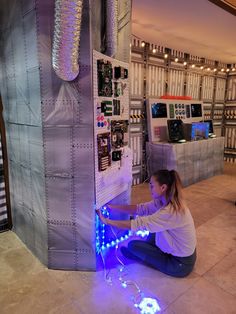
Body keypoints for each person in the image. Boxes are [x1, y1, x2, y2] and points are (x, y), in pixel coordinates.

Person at [96, 169, 197, 278]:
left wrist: (107, 222)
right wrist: (113, 208)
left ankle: (143, 254)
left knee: (133, 246)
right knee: (152, 227)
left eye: (152, 186)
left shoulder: (170, 211)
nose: (150, 189)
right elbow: (141, 209)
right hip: (185, 254)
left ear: (163, 188)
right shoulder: (164, 201)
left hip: (179, 264)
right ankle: (148, 251)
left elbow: (138, 224)